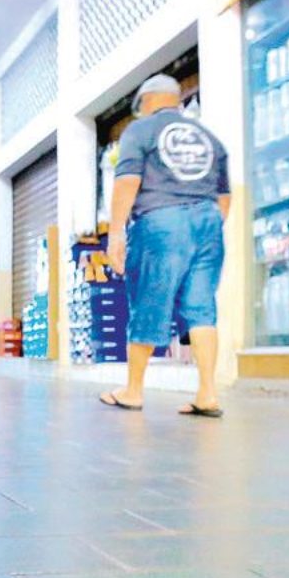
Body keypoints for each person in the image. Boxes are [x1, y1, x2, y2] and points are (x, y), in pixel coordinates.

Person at [98, 74, 232, 417]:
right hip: (209, 222)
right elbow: (224, 198)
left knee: (149, 300)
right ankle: (207, 393)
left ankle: (133, 391)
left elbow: (128, 181)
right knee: (201, 307)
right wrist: (205, 227)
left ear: (146, 101)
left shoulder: (140, 131)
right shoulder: (209, 138)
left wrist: (116, 233)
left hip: (161, 221)